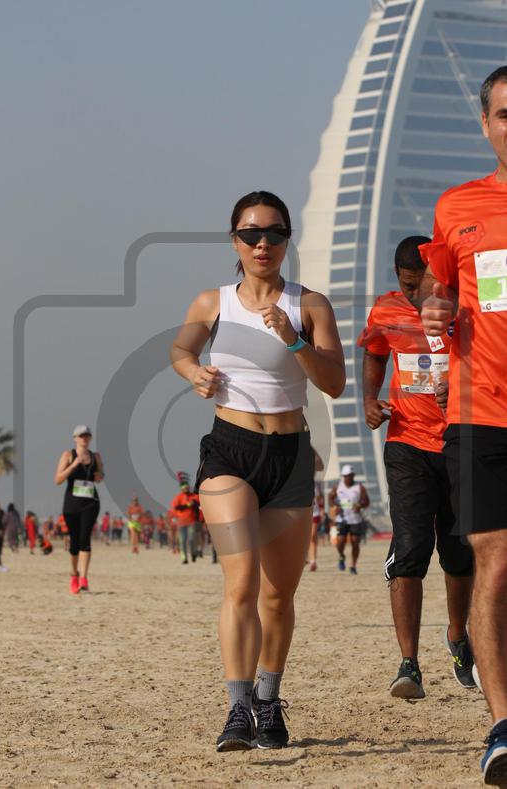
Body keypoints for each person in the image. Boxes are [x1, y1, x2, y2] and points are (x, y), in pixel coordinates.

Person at [171, 190, 344, 751]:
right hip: (231, 449)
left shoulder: (310, 304)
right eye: (250, 234)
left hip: (290, 453)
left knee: (277, 595)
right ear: (235, 241)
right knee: (241, 582)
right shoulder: (213, 301)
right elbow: (180, 350)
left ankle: (269, 700)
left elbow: (334, 383)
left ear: (287, 240)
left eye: (273, 233)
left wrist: (293, 340)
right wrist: (193, 372)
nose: (262, 243)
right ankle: (238, 708)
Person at [420, 65, 507, 784]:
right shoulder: (457, 207)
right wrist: (435, 306)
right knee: (495, 558)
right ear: (486, 123)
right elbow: (437, 285)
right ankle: (503, 726)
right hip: (480, 409)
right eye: (506, 114)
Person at [359, 235, 474, 700]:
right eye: (407, 286)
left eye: (421, 286)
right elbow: (373, 353)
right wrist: (369, 399)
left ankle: (457, 636)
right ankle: (408, 663)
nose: (414, 295)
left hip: (461, 442)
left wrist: (460, 389)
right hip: (407, 443)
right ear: (398, 278)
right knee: (409, 550)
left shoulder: (465, 309)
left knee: (459, 553)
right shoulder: (385, 311)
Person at [54, 425, 103, 594]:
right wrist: (74, 465)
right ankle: (74, 574)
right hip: (72, 504)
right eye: (81, 436)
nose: (85, 439)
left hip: (90, 503)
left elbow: (100, 476)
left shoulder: (96, 457)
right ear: (75, 438)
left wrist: (100, 476)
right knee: (74, 542)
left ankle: (84, 578)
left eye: (87, 436)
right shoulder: (68, 455)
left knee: (85, 538)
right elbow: (57, 480)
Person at [328, 466, 369, 575]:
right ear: (343, 476)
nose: (348, 478)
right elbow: (330, 497)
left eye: (350, 475)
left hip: (355, 519)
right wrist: (334, 507)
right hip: (342, 519)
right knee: (340, 541)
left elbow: (366, 501)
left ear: (353, 475)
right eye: (346, 476)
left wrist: (360, 505)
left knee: (355, 542)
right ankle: (341, 556)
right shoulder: (338, 487)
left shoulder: (359, 487)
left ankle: (353, 565)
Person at [168, 477, 201, 565]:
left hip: (192, 522)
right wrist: (188, 505)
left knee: (191, 539)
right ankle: (184, 558)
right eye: (184, 487)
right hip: (181, 522)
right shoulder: (178, 497)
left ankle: (193, 553)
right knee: (182, 540)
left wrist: (194, 504)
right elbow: (177, 507)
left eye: (187, 487)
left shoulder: (194, 496)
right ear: (182, 488)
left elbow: (198, 505)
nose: (186, 489)